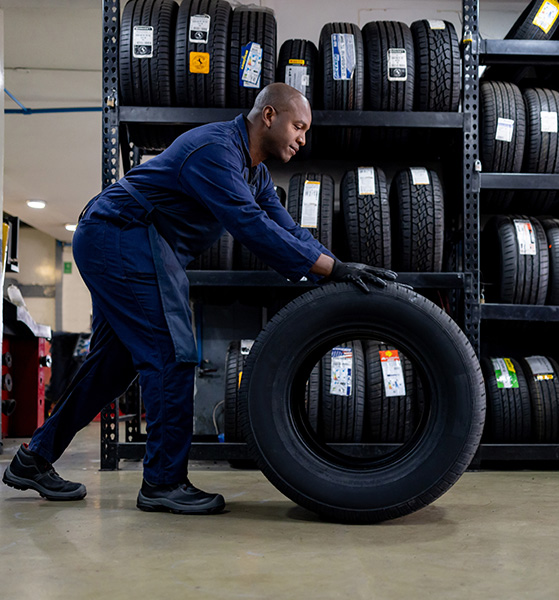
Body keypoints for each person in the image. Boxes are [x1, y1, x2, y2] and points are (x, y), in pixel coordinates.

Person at [2, 83, 396, 515]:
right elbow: (250, 227)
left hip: (129, 239)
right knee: (172, 352)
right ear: (269, 116)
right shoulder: (215, 150)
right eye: (298, 127)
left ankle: (32, 461)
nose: (303, 139)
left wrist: (338, 266)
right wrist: (331, 270)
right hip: (122, 232)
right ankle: (162, 483)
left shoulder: (256, 173)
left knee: (112, 367)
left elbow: (286, 229)